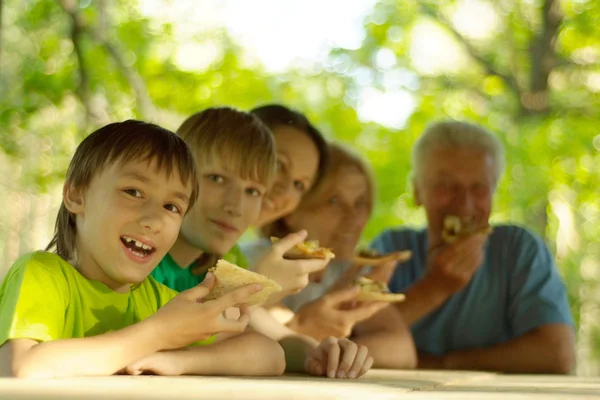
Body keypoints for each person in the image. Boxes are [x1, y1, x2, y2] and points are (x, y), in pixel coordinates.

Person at [0, 120, 285, 378]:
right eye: (134, 192)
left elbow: (269, 354)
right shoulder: (43, 275)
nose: (155, 220)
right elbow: (20, 367)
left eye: (172, 207)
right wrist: (158, 334)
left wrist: (181, 361)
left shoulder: (158, 301)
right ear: (76, 195)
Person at [151, 107, 374, 379]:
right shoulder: (142, 254)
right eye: (217, 179)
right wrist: (260, 285)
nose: (235, 205)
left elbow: (266, 331)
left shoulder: (221, 262)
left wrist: (317, 353)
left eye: (253, 191)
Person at [370, 120, 576, 374]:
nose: (465, 205)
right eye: (446, 185)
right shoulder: (391, 249)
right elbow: (355, 341)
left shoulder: (518, 250)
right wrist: (436, 286)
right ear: (417, 191)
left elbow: (558, 355)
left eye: (479, 188)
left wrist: (439, 365)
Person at [243, 142, 417, 369]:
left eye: (360, 203)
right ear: (292, 209)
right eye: (334, 201)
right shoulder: (256, 261)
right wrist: (312, 336)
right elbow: (274, 339)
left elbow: (402, 350)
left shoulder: (346, 268)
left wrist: (341, 353)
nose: (354, 218)